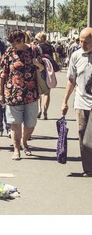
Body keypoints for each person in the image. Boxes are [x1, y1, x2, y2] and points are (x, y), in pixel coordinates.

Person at [0, 29, 44, 160]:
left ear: (23, 40)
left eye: (16, 42)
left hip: (31, 94)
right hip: (13, 94)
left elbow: (43, 68)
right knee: (15, 123)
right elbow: (2, 74)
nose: (13, 45)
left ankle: (24, 141)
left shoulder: (34, 50)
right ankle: (16, 149)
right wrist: (0, 93)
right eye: (11, 43)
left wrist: (38, 64)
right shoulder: (8, 52)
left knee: (31, 124)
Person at [61, 27, 92, 177]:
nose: (83, 44)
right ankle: (88, 168)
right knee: (83, 136)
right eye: (81, 41)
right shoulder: (76, 55)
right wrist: (64, 101)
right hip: (81, 102)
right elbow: (71, 80)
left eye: (86, 42)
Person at [35, 31, 56, 120]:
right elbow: (54, 58)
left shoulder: (37, 47)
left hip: (39, 70)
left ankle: (39, 109)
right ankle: (45, 111)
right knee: (47, 92)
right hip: (49, 70)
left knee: (39, 92)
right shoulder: (50, 47)